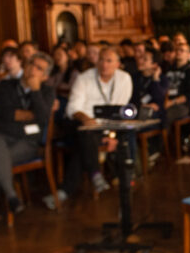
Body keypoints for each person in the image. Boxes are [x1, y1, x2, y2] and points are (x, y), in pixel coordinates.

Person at [0, 52, 55, 235]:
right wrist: (30, 115)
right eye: (31, 64)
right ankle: (11, 195)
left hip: (27, 143)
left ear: (45, 76)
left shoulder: (47, 91)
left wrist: (35, 91)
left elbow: (42, 119)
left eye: (39, 68)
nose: (33, 69)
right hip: (2, 136)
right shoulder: (6, 85)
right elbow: (8, 114)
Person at [49, 47, 132, 206]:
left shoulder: (124, 79)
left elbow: (118, 111)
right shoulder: (84, 78)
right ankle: (95, 173)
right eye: (101, 59)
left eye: (109, 61)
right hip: (78, 122)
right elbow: (72, 108)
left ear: (117, 64)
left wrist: (111, 135)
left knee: (85, 143)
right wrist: (86, 119)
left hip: (103, 127)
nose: (104, 64)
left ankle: (66, 190)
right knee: (86, 132)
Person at [163, 42, 190, 130]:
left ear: (188, 55)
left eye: (182, 51)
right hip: (166, 100)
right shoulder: (169, 69)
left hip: (182, 105)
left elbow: (189, 95)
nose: (178, 52)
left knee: (165, 115)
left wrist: (171, 103)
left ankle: (163, 143)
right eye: (177, 50)